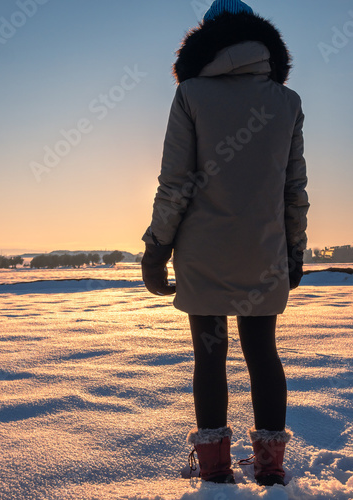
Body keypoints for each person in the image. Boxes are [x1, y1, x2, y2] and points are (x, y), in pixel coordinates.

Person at [141, 0, 309, 487]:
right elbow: (292, 191)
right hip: (263, 250)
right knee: (263, 351)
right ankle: (272, 470)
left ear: (207, 38)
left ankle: (215, 472)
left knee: (208, 355)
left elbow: (176, 183)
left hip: (203, 253)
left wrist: (156, 250)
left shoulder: (191, 94)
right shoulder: (287, 101)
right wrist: (294, 251)